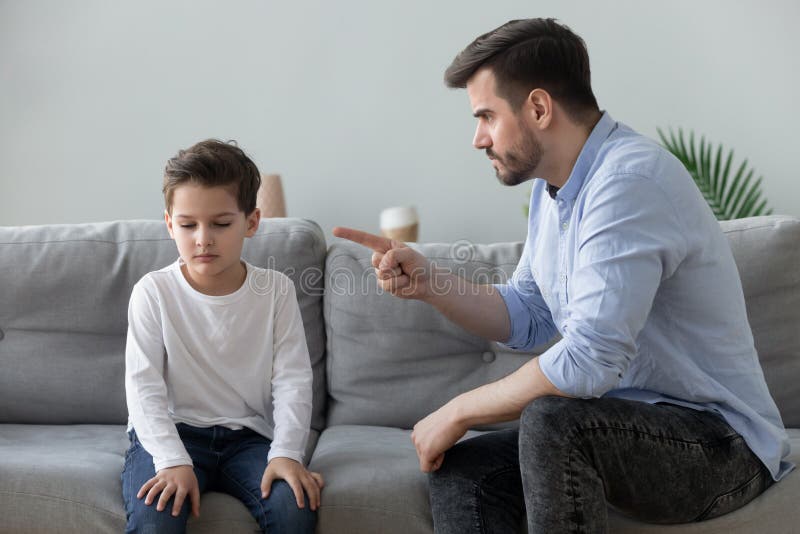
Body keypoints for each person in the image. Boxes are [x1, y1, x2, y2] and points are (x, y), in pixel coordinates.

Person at [333, 18, 792, 534]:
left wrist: (459, 410)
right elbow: (529, 314)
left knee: (554, 420)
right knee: (469, 468)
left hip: (720, 445)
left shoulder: (628, 182)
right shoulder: (551, 191)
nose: (477, 138)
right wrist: (430, 284)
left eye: (486, 116)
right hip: (623, 427)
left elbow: (588, 361)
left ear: (538, 108)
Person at [121, 139, 322, 534]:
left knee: (293, 509)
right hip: (172, 431)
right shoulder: (153, 292)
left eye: (221, 223)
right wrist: (171, 459)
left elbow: (294, 380)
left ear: (251, 222)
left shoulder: (276, 291)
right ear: (169, 223)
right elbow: (143, 387)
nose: (203, 238)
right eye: (188, 224)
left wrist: (286, 453)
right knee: (154, 518)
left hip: (249, 439)